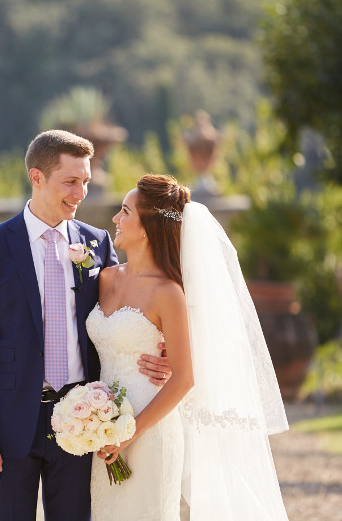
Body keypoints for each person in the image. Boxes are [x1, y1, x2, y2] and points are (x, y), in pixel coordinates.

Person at [0, 130, 172, 521]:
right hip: (8, 424)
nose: (81, 192)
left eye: (86, 181)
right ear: (37, 177)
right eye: (71, 181)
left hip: (84, 419)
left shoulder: (98, 243)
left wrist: (165, 349)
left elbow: (132, 310)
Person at [89, 174, 290, 520]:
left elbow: (184, 378)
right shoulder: (104, 278)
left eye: (124, 212)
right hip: (100, 427)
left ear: (148, 227)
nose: (115, 220)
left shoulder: (169, 293)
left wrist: (129, 431)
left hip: (149, 432)